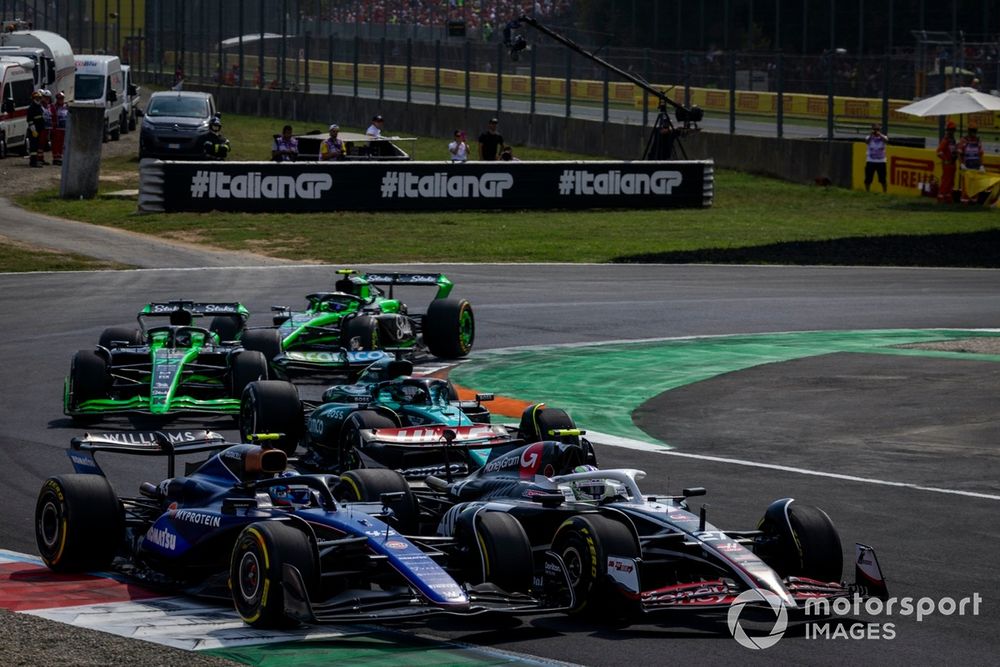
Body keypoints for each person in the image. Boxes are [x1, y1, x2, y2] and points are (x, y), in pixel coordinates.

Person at [958, 123, 985, 203]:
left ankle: (974, 201)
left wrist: (981, 165)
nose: (973, 132)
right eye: (972, 130)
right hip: (966, 167)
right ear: (969, 131)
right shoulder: (964, 140)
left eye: (974, 131)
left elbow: (981, 154)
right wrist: (962, 164)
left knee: (975, 185)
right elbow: (959, 153)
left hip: (976, 167)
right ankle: (964, 201)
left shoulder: (978, 140)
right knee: (966, 185)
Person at [936, 120, 959, 203]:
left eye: (953, 130)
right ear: (948, 130)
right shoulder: (945, 140)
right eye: (951, 129)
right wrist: (945, 160)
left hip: (953, 163)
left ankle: (948, 196)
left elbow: (953, 150)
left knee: (951, 181)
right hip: (947, 164)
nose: (952, 131)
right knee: (946, 181)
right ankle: (941, 196)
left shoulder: (952, 140)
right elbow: (939, 152)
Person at [864, 122, 888, 193]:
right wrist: (871, 135)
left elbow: (886, 141)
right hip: (870, 161)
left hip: (881, 161)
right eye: (874, 129)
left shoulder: (884, 137)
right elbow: (866, 142)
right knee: (868, 178)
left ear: (880, 129)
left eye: (877, 129)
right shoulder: (869, 137)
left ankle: (884, 192)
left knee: (883, 178)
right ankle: (867, 191)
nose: (876, 131)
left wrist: (880, 135)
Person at [26, 90, 45, 168]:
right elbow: (30, 120)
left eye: (39, 98)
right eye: (37, 98)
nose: (39, 99)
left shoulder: (39, 107)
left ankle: (36, 161)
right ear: (34, 98)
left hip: (39, 129)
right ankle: (33, 162)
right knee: (33, 147)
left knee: (36, 146)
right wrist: (33, 130)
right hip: (34, 130)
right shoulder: (31, 108)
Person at [39, 89, 53, 163]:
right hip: (42, 128)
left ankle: (41, 158)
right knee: (40, 143)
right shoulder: (40, 107)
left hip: (48, 128)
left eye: (48, 97)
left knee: (44, 143)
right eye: (45, 97)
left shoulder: (49, 106)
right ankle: (39, 158)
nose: (47, 99)